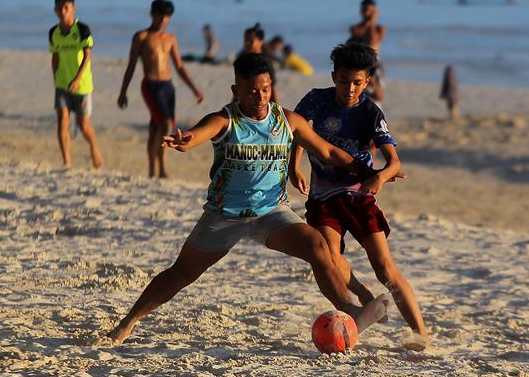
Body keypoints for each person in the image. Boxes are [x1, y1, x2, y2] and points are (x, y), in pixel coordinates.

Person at [104, 53, 394, 345]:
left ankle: (349, 312)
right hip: (225, 215)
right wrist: (185, 140)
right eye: (252, 90)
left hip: (271, 213)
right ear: (236, 91)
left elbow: (328, 152)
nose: (260, 96)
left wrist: (373, 172)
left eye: (266, 89)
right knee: (181, 273)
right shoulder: (226, 120)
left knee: (317, 245)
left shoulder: (286, 121)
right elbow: (198, 135)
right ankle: (127, 324)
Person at [290, 42, 428, 351]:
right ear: (333, 76)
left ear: (367, 81)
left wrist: (379, 177)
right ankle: (362, 294)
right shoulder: (316, 100)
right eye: (343, 81)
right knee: (329, 255)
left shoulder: (370, 112)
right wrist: (294, 165)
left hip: (358, 196)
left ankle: (420, 333)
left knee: (385, 267)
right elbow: (298, 131)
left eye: (357, 82)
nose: (349, 88)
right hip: (323, 199)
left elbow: (395, 162)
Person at [117, 0, 204, 178]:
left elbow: (179, 66)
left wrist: (194, 89)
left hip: (168, 87)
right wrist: (123, 92)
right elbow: (131, 66)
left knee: (155, 127)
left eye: (167, 17)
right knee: (166, 124)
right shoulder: (141, 37)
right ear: (152, 15)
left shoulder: (170, 38)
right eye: (160, 16)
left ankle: (151, 170)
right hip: (150, 85)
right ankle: (162, 168)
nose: (163, 20)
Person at [48, 0, 103, 170]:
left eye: (67, 8)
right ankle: (67, 162)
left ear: (73, 9)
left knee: (83, 125)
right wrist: (56, 78)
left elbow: (87, 57)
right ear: (55, 10)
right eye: (60, 8)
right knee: (62, 120)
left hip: (82, 86)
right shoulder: (53, 33)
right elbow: (55, 56)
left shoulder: (82, 30)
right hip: (62, 84)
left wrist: (78, 79)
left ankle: (94, 147)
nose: (63, 12)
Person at [348, 0, 386, 103]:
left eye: (371, 10)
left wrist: (372, 23)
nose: (368, 14)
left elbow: (373, 43)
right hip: (362, 62)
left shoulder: (379, 29)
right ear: (361, 11)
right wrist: (371, 22)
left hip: (376, 64)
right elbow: (369, 45)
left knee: (377, 96)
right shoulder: (356, 29)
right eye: (366, 10)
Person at [236, 23, 279, 103]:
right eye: (246, 40)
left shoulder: (265, 63)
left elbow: (272, 88)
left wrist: (277, 111)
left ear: (260, 41)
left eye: (251, 41)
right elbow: (238, 87)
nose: (247, 44)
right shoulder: (243, 61)